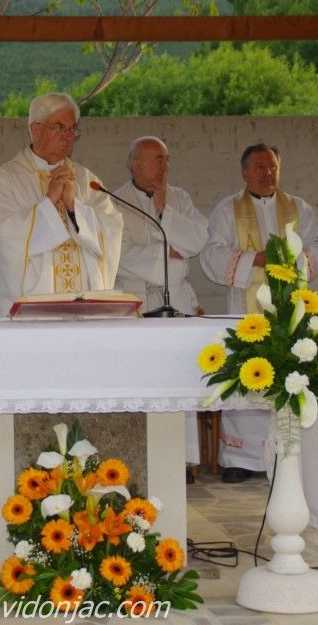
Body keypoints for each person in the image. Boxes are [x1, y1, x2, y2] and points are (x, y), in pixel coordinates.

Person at [199, 143, 318, 483]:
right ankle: (240, 457)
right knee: (247, 372)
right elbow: (212, 253)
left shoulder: (298, 208)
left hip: (289, 308)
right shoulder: (228, 210)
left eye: (273, 167)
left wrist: (294, 259)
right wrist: (257, 259)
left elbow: (317, 244)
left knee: (286, 372)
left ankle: (286, 452)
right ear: (244, 172)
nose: (267, 173)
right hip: (245, 309)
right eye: (259, 167)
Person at [114, 136, 209, 477]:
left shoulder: (179, 197)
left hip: (176, 300)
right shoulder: (114, 201)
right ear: (135, 164)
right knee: (143, 378)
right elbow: (118, 255)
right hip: (138, 301)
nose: (165, 166)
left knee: (179, 376)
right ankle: (143, 457)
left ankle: (183, 460)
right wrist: (169, 256)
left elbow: (198, 240)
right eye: (157, 159)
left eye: (167, 159)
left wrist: (165, 209)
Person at [0, 92, 123, 318]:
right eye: (59, 127)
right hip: (35, 307)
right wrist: (48, 202)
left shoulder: (87, 180)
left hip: (83, 305)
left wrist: (73, 206)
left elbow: (111, 226)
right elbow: (5, 236)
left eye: (72, 129)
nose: (68, 136)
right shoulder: (7, 179)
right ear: (35, 130)